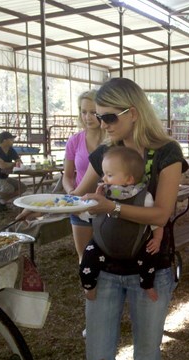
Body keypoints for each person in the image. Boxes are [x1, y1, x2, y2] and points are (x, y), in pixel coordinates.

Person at [77, 77, 188, 360]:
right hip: (105, 269)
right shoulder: (106, 154)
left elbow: (161, 214)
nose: (101, 124)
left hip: (150, 270)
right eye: (98, 116)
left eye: (108, 117)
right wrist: (38, 207)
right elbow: (78, 198)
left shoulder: (167, 153)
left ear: (134, 113)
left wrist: (111, 207)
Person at [79, 146, 163, 301]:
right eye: (104, 174)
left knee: (149, 258)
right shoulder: (104, 194)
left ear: (129, 179)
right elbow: (91, 214)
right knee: (88, 254)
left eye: (109, 175)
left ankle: (147, 284)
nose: (104, 178)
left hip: (135, 243)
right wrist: (93, 204)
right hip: (103, 243)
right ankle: (88, 285)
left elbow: (156, 221)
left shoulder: (144, 197)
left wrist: (157, 239)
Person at [63, 89, 106, 262]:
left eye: (93, 112)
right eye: (84, 112)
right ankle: (88, 288)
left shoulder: (113, 140)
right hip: (80, 205)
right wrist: (71, 193)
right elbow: (67, 175)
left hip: (107, 204)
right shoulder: (74, 141)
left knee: (109, 255)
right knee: (85, 257)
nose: (88, 117)